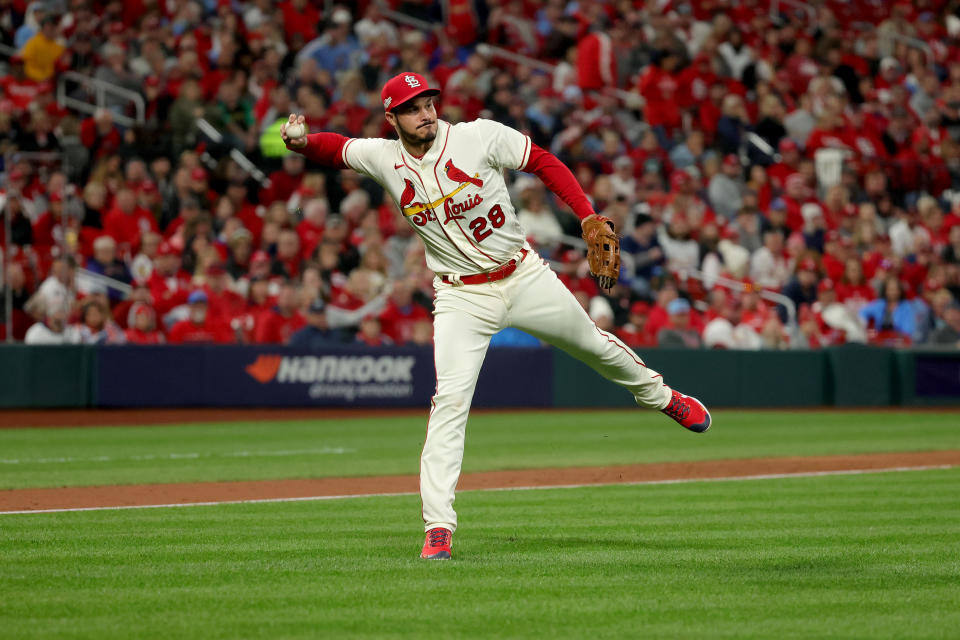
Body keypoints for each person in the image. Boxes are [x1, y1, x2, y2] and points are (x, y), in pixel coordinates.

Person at [280, 72, 712, 561]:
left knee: (594, 345)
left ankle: (661, 396)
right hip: (461, 298)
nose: (426, 113)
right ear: (392, 117)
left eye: (429, 103)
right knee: (449, 404)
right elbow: (337, 149)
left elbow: (544, 162)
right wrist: (300, 143)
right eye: (413, 107)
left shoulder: (476, 136)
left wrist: (587, 215)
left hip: (523, 276)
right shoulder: (385, 157)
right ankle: (438, 527)